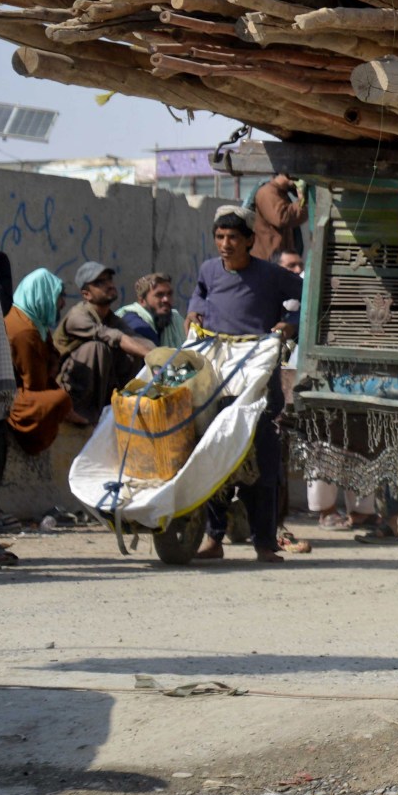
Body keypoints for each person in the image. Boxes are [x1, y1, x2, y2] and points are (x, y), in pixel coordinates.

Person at [188, 207, 305, 564]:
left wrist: (290, 323)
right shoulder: (209, 270)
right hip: (218, 380)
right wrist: (193, 311)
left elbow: (308, 298)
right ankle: (214, 538)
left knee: (263, 462)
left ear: (250, 241)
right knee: (214, 454)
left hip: (259, 379)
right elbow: (199, 294)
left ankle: (264, 543)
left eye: (233, 238)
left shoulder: (270, 274)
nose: (226, 244)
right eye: (220, 237)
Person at [0, 271, 77, 556]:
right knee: (60, 400)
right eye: (58, 297)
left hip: (13, 393)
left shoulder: (33, 324)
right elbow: (35, 384)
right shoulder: (25, 331)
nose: (62, 303)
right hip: (11, 398)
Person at [53, 262, 152, 425]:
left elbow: (136, 339)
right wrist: (151, 354)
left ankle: (119, 407)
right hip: (65, 386)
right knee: (97, 348)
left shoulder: (111, 318)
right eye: (100, 283)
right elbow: (115, 337)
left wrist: (163, 357)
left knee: (132, 351)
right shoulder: (77, 316)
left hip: (99, 387)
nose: (109, 285)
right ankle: (79, 411)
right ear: (86, 294)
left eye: (109, 279)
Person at [253, 173, 308, 263]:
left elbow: (298, 217)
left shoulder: (281, 193)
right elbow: (281, 218)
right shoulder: (267, 192)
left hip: (280, 258)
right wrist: (301, 202)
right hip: (268, 259)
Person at [119, 273, 182, 349]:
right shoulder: (136, 324)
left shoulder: (174, 319)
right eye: (159, 295)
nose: (166, 299)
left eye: (169, 294)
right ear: (142, 300)